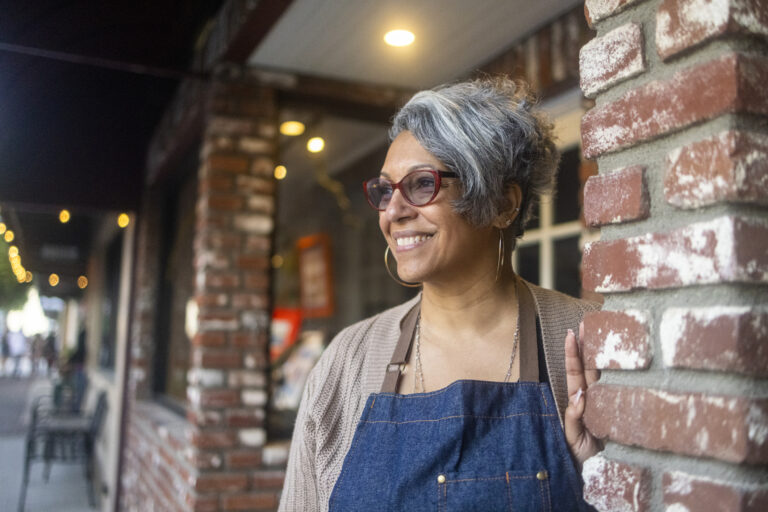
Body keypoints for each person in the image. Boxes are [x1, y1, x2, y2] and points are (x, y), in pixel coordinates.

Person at [279, 77, 602, 511]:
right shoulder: (347, 361)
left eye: (421, 185)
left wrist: (600, 474)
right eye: (384, 190)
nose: (393, 212)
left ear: (504, 204)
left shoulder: (586, 344)